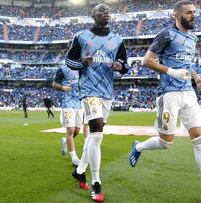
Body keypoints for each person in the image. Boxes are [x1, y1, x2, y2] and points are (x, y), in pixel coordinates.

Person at [128, 1, 201, 202]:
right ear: (177, 15)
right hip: (168, 94)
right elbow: (147, 60)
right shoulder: (166, 34)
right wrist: (172, 71)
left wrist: (195, 77)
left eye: (194, 12)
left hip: (188, 93)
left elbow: (188, 63)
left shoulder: (193, 36)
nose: (193, 15)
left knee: (199, 138)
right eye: (189, 12)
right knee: (165, 142)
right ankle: (139, 147)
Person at [66, 3, 128, 202]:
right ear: (92, 14)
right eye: (101, 10)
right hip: (89, 90)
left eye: (108, 10)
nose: (106, 13)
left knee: (94, 135)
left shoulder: (117, 39)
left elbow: (126, 66)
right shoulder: (81, 36)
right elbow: (69, 62)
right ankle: (97, 182)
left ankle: (80, 171)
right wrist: (83, 62)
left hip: (107, 92)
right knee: (98, 134)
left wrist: (120, 66)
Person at [52, 64, 89, 167]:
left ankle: (65, 140)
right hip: (67, 103)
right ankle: (74, 158)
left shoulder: (82, 68)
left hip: (78, 103)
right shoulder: (62, 69)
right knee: (70, 130)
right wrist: (62, 87)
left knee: (77, 130)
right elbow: (54, 84)